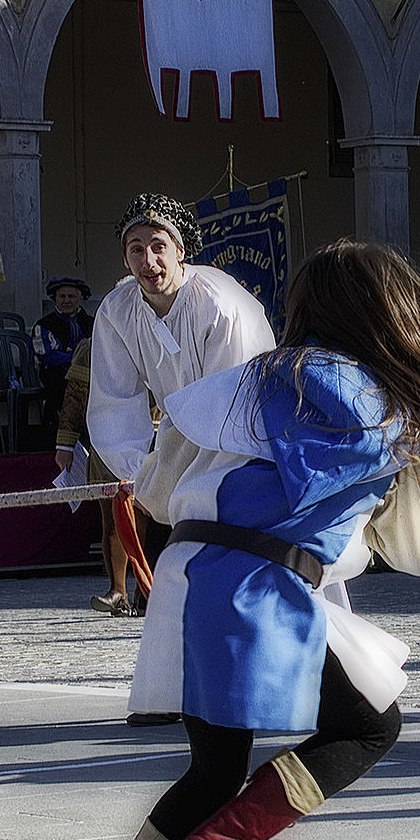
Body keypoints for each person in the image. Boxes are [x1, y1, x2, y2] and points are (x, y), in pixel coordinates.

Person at [55, 241, 420, 840]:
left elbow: (159, 496)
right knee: (368, 725)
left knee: (214, 771)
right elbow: (417, 545)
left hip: (188, 579)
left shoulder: (228, 386)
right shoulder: (402, 407)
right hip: (261, 583)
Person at [88, 193, 276, 583]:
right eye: (136, 249)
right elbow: (114, 400)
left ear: (180, 251)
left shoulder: (221, 305)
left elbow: (228, 404)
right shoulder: (116, 311)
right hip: (179, 444)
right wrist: (140, 475)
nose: (148, 261)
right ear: (125, 258)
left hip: (245, 442)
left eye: (158, 246)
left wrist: (171, 475)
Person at [56, 337, 135, 617]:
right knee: (113, 518)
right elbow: (76, 394)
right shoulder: (93, 345)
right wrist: (66, 442)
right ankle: (118, 591)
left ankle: (150, 592)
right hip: (107, 438)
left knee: (153, 519)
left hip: (154, 432)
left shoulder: (159, 332)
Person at [33, 277, 93, 421]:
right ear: (55, 299)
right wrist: (77, 358)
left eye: (71, 296)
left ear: (81, 299)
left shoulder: (92, 323)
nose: (67, 301)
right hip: (56, 377)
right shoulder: (45, 325)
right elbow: (47, 356)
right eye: (62, 296)